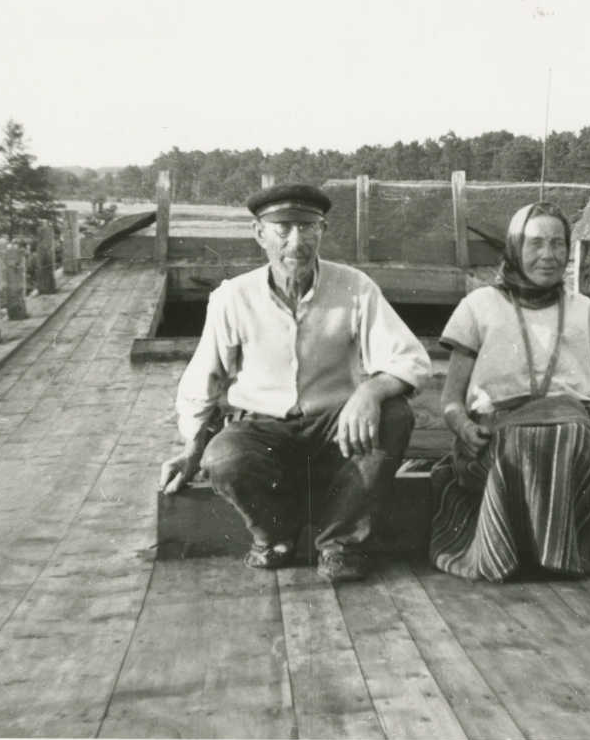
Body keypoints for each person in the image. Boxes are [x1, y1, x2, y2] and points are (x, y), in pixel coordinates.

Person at [160, 183, 431, 582]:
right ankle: (274, 534)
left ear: (322, 231)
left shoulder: (355, 287)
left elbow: (411, 359)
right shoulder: (233, 297)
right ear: (260, 234)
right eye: (282, 228)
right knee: (223, 458)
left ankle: (341, 544)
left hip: (333, 428)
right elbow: (206, 376)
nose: (296, 241)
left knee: (394, 414)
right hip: (262, 429)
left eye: (308, 228)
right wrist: (191, 448)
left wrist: (370, 390)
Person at [429, 202, 590, 582]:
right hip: (496, 433)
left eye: (557, 244)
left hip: (570, 430)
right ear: (514, 249)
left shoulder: (584, 310)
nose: (548, 256)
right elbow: (451, 400)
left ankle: (561, 555)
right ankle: (510, 551)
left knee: (568, 433)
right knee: (520, 440)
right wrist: (463, 429)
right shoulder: (478, 306)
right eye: (534, 244)